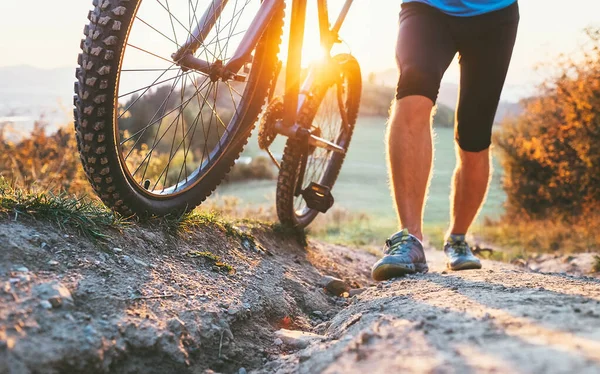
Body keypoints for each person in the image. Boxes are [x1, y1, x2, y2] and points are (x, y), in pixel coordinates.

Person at [371, 0, 520, 281]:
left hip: (494, 16)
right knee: (414, 83)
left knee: (474, 135)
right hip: (427, 8)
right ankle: (410, 238)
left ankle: (458, 238)